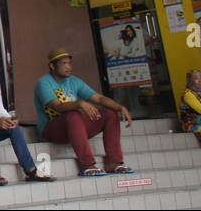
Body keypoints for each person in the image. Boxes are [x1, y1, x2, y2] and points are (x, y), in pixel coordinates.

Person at [34, 46, 133, 176]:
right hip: (52, 129)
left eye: (69, 63)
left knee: (109, 114)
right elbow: (56, 106)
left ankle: (113, 162)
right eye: (63, 64)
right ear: (52, 66)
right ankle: (87, 164)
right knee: (73, 114)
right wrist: (79, 103)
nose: (68, 67)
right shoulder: (44, 82)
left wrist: (120, 107)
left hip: (75, 127)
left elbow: (98, 98)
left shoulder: (74, 81)